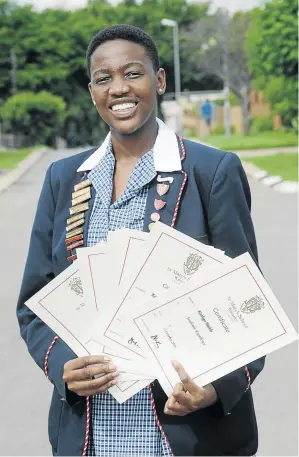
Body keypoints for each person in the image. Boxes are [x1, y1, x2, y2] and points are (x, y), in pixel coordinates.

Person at [17, 24, 265, 457]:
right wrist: (62, 368)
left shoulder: (211, 172)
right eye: (103, 78)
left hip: (185, 436)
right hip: (92, 435)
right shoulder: (64, 179)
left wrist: (210, 390)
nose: (119, 89)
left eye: (133, 73)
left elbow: (250, 306)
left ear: (160, 80)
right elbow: (34, 303)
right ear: (92, 90)